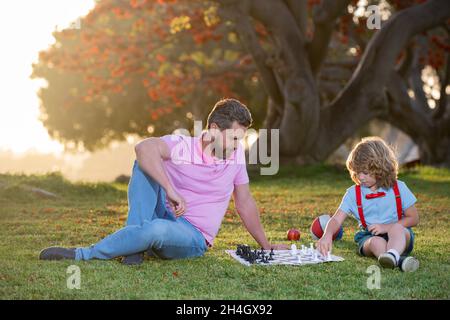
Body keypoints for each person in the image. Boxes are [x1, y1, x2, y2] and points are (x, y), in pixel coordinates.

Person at [39, 98, 288, 265]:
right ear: (213, 129)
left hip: (192, 236)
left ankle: (83, 254)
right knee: (145, 162)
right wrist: (169, 189)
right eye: (234, 138)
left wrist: (266, 245)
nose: (238, 146)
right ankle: (133, 247)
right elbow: (143, 148)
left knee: (155, 229)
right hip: (164, 213)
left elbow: (244, 203)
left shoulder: (234, 159)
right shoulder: (183, 146)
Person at [316, 137, 420, 272]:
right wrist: (327, 235)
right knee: (374, 242)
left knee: (397, 229)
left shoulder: (398, 188)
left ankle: (393, 254)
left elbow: (414, 218)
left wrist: (386, 227)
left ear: (381, 168)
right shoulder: (353, 194)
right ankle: (396, 260)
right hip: (370, 236)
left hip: (400, 236)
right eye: (356, 172)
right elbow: (336, 219)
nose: (360, 177)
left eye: (365, 173)